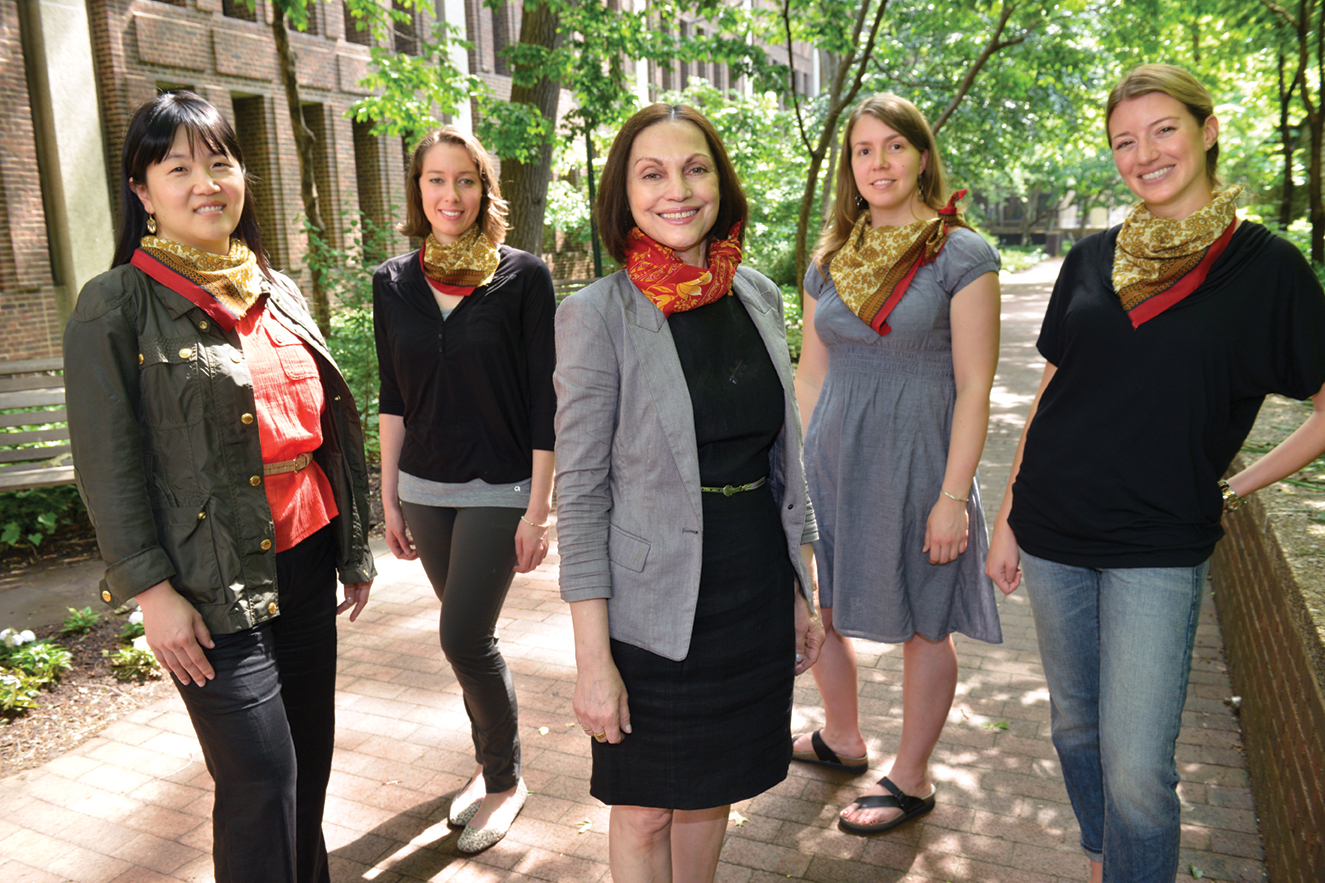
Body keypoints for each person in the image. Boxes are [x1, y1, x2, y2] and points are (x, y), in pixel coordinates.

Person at [986, 64, 1325, 883]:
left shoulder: (1266, 268)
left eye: (1162, 129)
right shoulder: (1092, 256)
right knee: (1074, 729)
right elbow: (1052, 385)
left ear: (1206, 131)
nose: (1144, 154)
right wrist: (1006, 509)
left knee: (1138, 765)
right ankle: (1112, 859)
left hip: (1159, 543)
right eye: (1123, 141)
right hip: (1053, 528)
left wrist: (1234, 488)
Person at [64, 90, 377, 883]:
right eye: (179, 168)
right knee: (260, 778)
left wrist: (353, 547)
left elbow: (323, 425)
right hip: (208, 584)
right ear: (142, 192)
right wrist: (150, 591)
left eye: (221, 162)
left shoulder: (275, 288)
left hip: (305, 560)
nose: (207, 183)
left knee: (307, 765)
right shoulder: (118, 303)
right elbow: (107, 460)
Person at [554, 103, 824, 882]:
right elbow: (579, 498)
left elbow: (784, 460)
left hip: (751, 588)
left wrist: (800, 590)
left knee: (711, 797)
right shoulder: (595, 315)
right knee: (644, 808)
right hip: (650, 609)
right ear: (624, 194)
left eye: (694, 167)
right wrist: (591, 661)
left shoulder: (757, 295)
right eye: (652, 172)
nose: (677, 189)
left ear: (720, 181)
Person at [791, 93, 1003, 835]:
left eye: (893, 147)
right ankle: (841, 736)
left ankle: (910, 778)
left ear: (920, 157)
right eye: (862, 150)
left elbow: (976, 382)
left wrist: (953, 496)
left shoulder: (961, 254)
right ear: (848, 168)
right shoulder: (829, 261)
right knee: (822, 608)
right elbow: (810, 376)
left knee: (926, 620)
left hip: (921, 463)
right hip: (831, 459)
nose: (877, 162)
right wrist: (797, 472)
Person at [373, 126, 555, 854]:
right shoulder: (392, 282)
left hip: (502, 483)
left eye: (466, 180)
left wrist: (539, 508)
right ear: (418, 190)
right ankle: (490, 767)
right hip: (423, 483)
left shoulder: (524, 277)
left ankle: (506, 780)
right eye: (436, 180)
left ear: (486, 189)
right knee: (469, 642)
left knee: (462, 635)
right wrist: (387, 495)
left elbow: (547, 400)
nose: (451, 195)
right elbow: (393, 395)